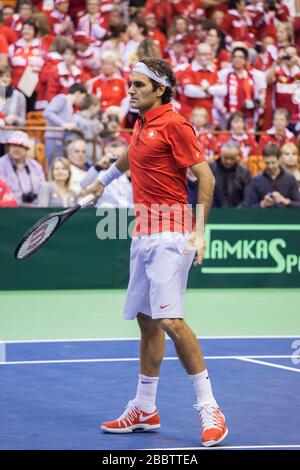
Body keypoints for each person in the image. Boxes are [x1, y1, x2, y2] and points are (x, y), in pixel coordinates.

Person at [85, 57, 228, 447]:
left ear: (160, 89)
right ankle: (144, 407)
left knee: (171, 322)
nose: (129, 90)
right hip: (143, 232)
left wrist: (199, 232)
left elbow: (206, 177)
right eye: (129, 84)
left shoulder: (176, 124)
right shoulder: (141, 123)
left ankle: (210, 407)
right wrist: (103, 181)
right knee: (147, 321)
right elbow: (131, 155)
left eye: (137, 85)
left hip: (172, 234)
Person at [43, 82, 87, 165]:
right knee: (53, 166)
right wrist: (64, 124)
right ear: (78, 93)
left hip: (60, 140)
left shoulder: (70, 106)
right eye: (82, 97)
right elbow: (47, 113)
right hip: (53, 139)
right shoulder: (62, 98)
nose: (82, 101)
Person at [246, 143, 300, 208]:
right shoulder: (256, 181)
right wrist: (262, 204)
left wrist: (286, 202)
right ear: (263, 160)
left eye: (273, 163)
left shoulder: (290, 179)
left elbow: (298, 204)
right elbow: (248, 208)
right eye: (267, 163)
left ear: (279, 160)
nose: (270, 166)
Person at [0, 130, 45, 206]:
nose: (17, 149)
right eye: (14, 145)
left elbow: (43, 188)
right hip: (10, 210)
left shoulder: (35, 166)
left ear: (26, 149)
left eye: (20, 146)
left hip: (35, 208)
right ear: (9, 147)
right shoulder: (1, 164)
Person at [210, 140, 252, 207]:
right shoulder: (210, 169)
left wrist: (235, 213)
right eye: (225, 158)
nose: (228, 161)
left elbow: (247, 198)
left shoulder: (244, 172)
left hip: (237, 212)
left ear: (237, 157)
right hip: (213, 211)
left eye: (232, 159)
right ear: (220, 155)